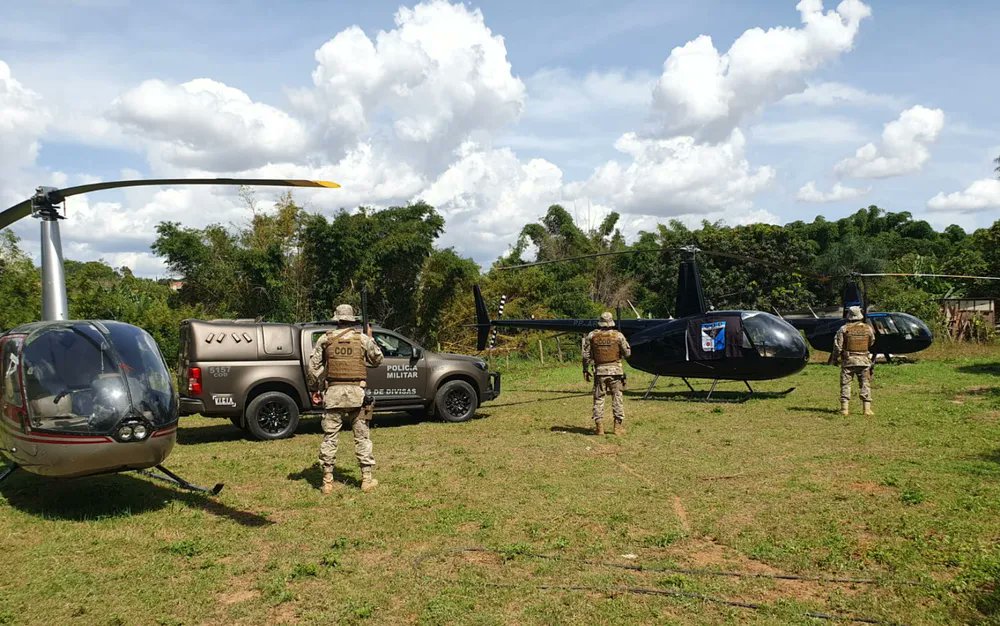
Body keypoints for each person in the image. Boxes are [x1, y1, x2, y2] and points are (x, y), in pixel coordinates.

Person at [308, 304, 384, 493]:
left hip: (333, 394)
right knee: (362, 437)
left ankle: (327, 481)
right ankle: (366, 479)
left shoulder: (325, 339)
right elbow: (378, 360)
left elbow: (313, 368)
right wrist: (371, 339)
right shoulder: (363, 339)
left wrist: (315, 389)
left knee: (330, 438)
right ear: (351, 320)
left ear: (337, 320)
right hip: (357, 395)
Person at [582, 312, 631, 435]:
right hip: (615, 372)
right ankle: (617, 427)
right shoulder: (618, 336)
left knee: (599, 399)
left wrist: (585, 369)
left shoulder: (592, 335)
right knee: (617, 398)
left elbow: (585, 355)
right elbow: (628, 353)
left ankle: (599, 427)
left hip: (599, 372)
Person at [833, 305, 875, 416]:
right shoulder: (868, 328)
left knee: (845, 384)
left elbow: (838, 346)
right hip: (864, 361)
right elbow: (871, 342)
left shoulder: (843, 329)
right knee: (865, 384)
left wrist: (835, 358)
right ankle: (867, 410)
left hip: (848, 361)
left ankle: (844, 409)